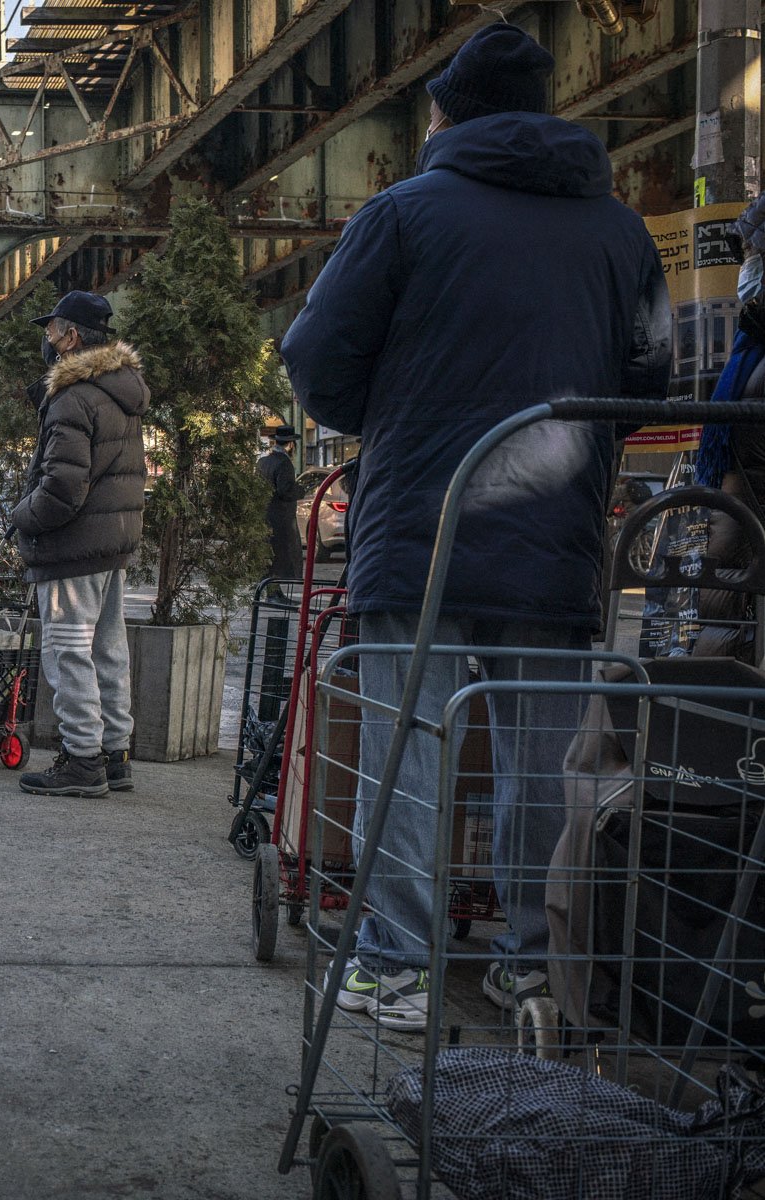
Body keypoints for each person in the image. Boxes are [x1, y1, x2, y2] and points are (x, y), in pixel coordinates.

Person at [280, 23, 670, 1030]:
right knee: (543, 766)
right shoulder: (623, 234)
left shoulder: (401, 214)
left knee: (408, 758)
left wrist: (397, 409)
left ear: (445, 114)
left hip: (419, 529)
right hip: (554, 541)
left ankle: (393, 968)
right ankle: (531, 968)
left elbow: (317, 359)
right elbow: (647, 377)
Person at [10, 291, 150, 798]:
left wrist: (21, 517)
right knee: (108, 649)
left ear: (70, 337)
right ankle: (115, 754)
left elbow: (62, 488)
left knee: (69, 650)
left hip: (71, 547)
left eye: (51, 331)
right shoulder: (119, 391)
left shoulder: (73, 395)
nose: (46, 341)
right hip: (111, 545)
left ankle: (82, 760)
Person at [694, 200, 765, 663]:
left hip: (747, 534)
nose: (745, 265)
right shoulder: (754, 339)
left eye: (752, 252)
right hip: (739, 534)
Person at [258, 425, 303, 589]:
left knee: (271, 558)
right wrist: (300, 490)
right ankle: (273, 592)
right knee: (281, 557)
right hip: (281, 518)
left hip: (264, 515)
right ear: (291, 444)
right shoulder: (284, 463)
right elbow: (285, 491)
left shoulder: (263, 461)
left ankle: (271, 590)